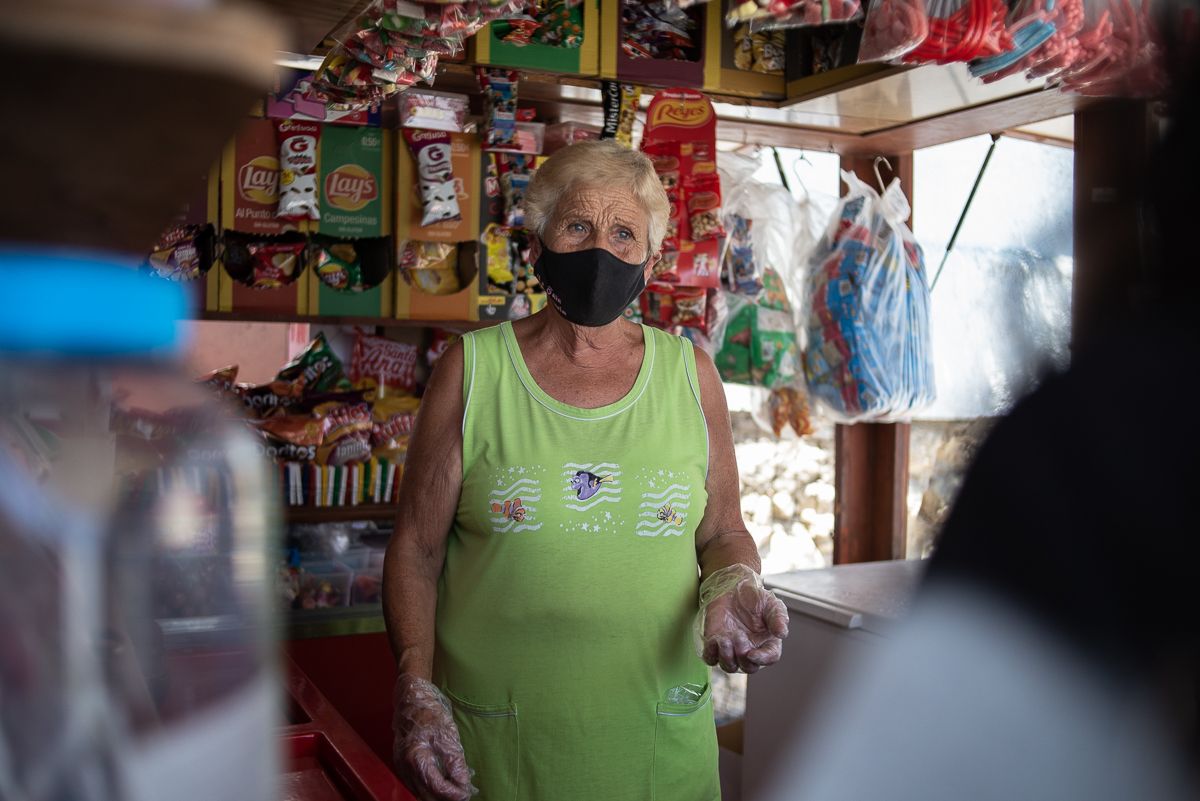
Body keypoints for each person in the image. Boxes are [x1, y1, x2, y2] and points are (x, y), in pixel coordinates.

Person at [383, 139, 789, 801]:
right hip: (498, 752)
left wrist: (735, 582)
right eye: (577, 226)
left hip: (658, 753)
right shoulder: (472, 370)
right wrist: (416, 687)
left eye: (624, 233)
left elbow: (722, 531)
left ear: (651, 260)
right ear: (537, 243)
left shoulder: (693, 376)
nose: (600, 250)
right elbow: (417, 549)